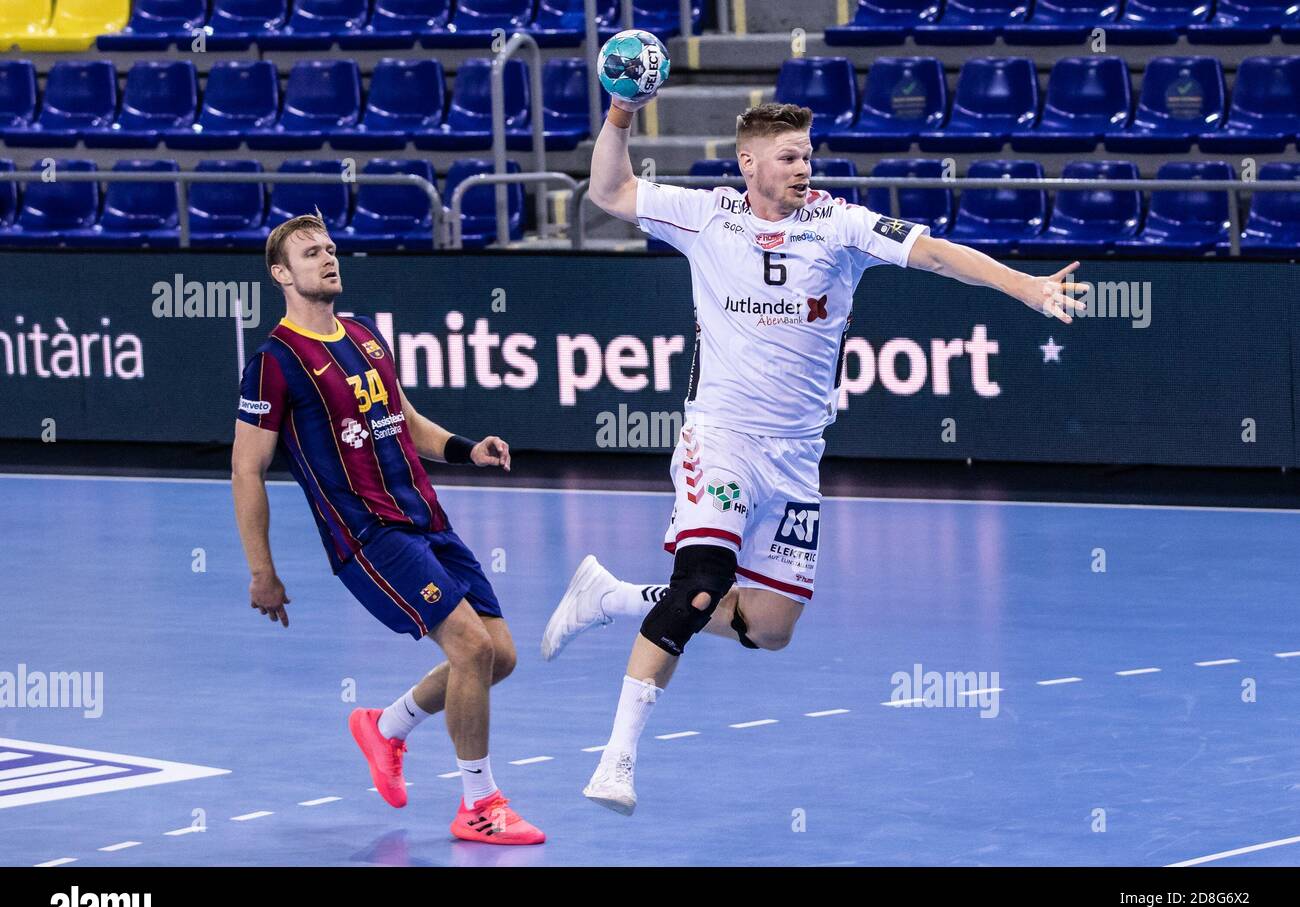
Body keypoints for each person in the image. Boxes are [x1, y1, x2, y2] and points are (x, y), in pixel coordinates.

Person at [544, 101, 1084, 815]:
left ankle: (609, 597)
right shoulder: (706, 217)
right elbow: (608, 192)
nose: (805, 168)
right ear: (749, 164)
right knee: (703, 582)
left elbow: (936, 254)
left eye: (808, 155)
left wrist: (1025, 286)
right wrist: (617, 115)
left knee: (769, 629)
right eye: (790, 157)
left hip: (797, 456)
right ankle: (615, 763)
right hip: (723, 439)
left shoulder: (841, 225)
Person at [231, 214, 544, 844]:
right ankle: (478, 804)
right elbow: (246, 470)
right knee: (471, 650)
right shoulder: (274, 362)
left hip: (426, 518)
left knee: (499, 656)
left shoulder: (365, 336)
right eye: (309, 252)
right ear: (280, 274)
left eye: (329, 248)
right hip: (369, 537)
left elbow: (401, 419)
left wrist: (464, 449)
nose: (327, 258)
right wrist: (262, 570)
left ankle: (387, 727)